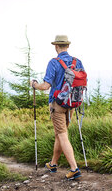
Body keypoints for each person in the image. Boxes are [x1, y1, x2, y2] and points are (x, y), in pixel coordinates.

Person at [31, 35, 84, 180]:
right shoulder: (77, 62)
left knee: (62, 135)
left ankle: (74, 168)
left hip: (58, 104)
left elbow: (46, 85)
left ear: (56, 46)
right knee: (59, 134)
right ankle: (53, 164)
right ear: (67, 46)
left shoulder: (54, 63)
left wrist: (35, 85)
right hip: (72, 103)